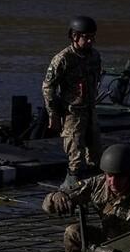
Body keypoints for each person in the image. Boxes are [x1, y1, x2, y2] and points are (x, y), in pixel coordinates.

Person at [43, 16, 103, 189]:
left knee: (96, 154)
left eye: (93, 37)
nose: (91, 41)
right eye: (86, 37)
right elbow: (48, 87)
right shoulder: (62, 59)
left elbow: (96, 79)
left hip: (90, 110)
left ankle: (94, 189)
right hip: (72, 114)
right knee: (75, 158)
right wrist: (52, 113)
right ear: (75, 36)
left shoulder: (95, 56)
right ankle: (71, 190)